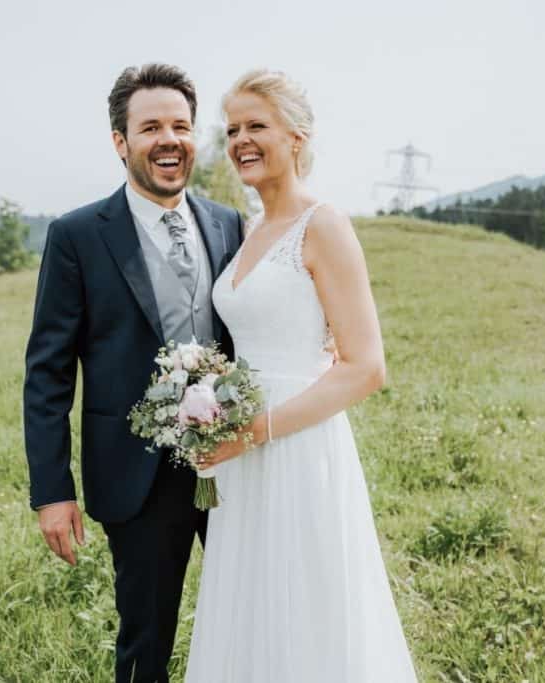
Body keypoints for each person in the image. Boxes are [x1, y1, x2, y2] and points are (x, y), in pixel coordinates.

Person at [184, 69, 418, 682]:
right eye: (232, 129)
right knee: (252, 601)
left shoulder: (325, 224)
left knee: (308, 601)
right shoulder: (250, 227)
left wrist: (257, 429)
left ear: (297, 137)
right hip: (240, 449)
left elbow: (366, 368)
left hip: (296, 441)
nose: (240, 141)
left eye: (257, 125)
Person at [22, 63, 244, 683]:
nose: (168, 139)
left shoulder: (228, 223)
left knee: (253, 613)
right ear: (121, 142)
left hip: (235, 460)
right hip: (137, 473)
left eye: (181, 125)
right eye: (151, 127)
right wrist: (52, 490)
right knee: (147, 639)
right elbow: (47, 372)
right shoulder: (77, 236)